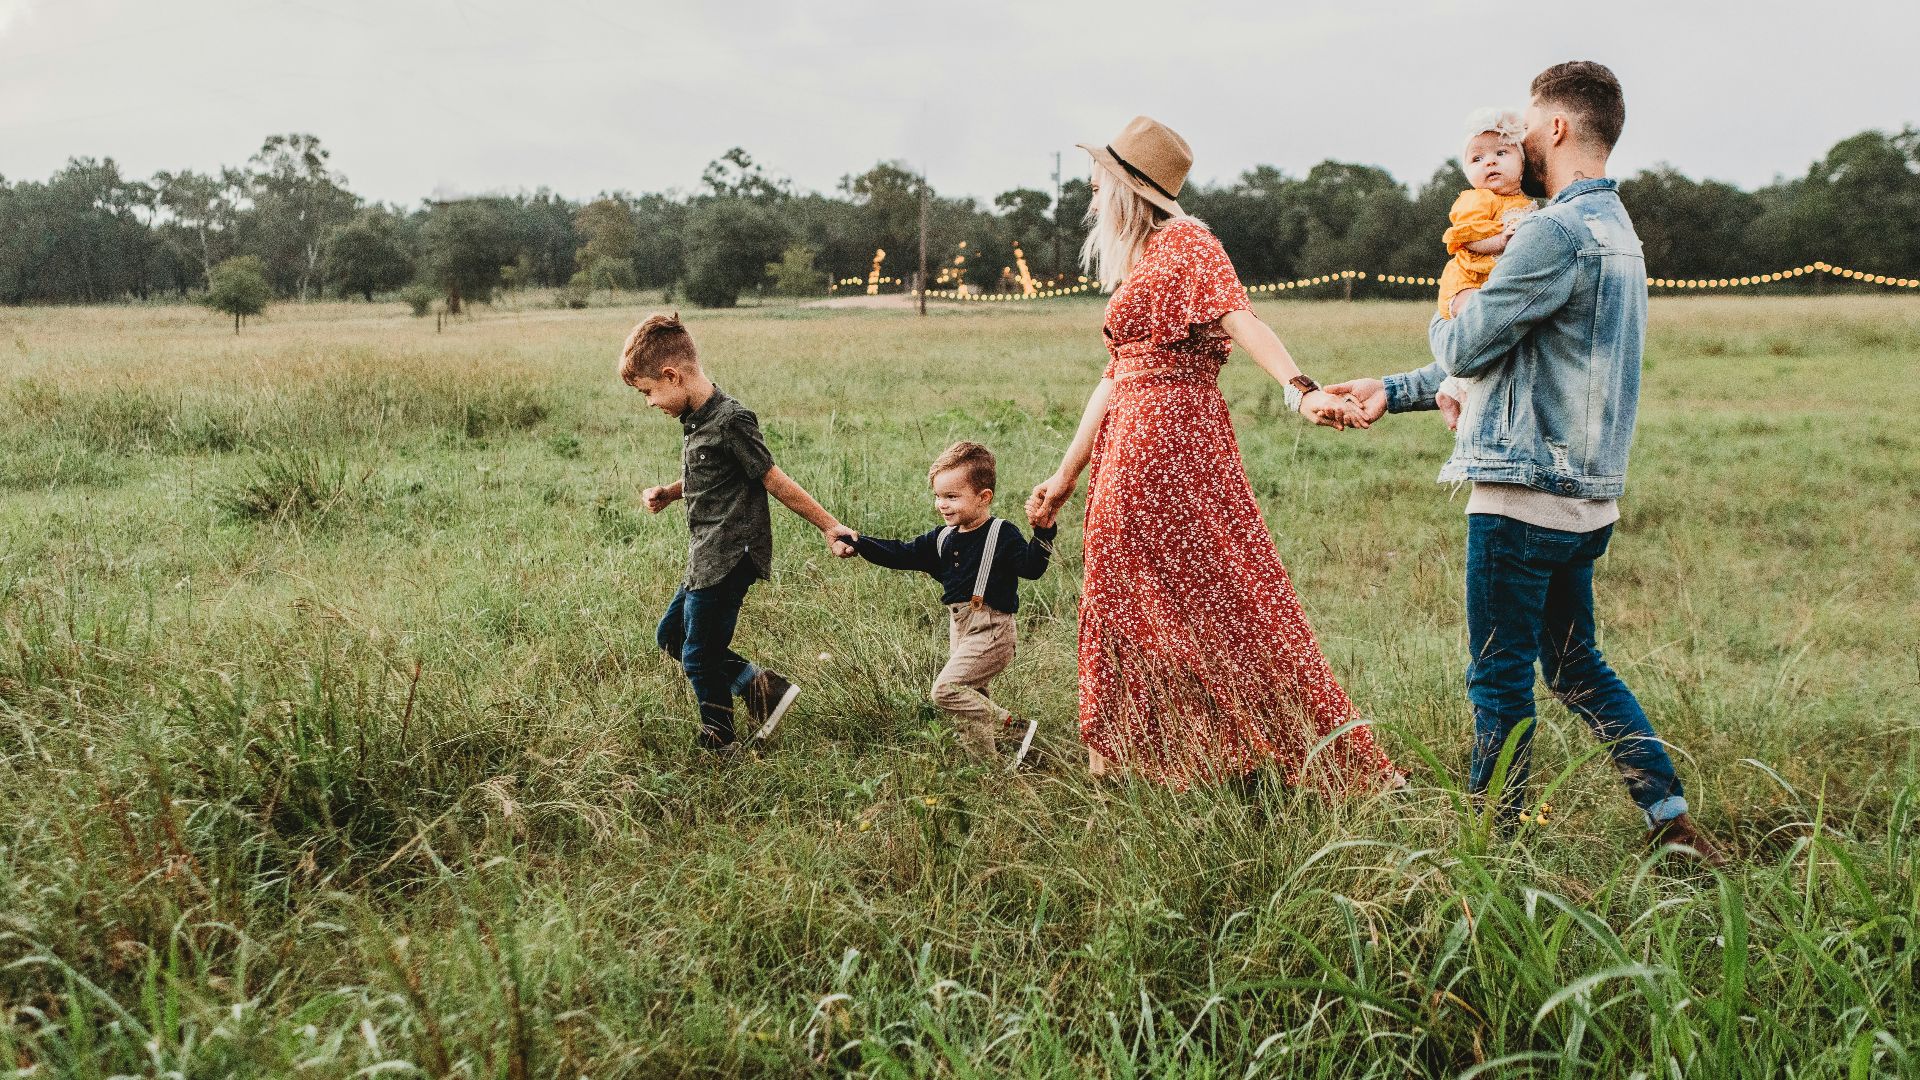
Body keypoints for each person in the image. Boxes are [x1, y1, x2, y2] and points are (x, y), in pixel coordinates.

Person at [1329, 62, 1728, 865]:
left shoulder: (1550, 231)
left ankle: (1491, 848)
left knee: (1498, 678)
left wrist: (1451, 305)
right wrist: (1395, 390)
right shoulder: (1618, 230)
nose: (1514, 142)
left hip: (1521, 496)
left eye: (1525, 126)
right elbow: (1522, 356)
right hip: (1586, 501)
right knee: (1578, 666)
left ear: (1556, 129)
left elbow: (1471, 342)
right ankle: (1670, 821)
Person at [1026, 115, 1402, 791]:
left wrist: (1300, 390)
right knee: (1122, 595)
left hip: (1171, 441)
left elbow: (1242, 318)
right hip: (1130, 442)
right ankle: (1134, 758)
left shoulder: (1189, 243)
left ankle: (1255, 751)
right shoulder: (1142, 258)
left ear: (1126, 187)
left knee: (1222, 592)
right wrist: (1063, 475)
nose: (1088, 189)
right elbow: (1114, 378)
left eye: (1098, 178)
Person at [620, 312, 856, 752]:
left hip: (730, 556)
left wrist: (830, 526)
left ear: (672, 375)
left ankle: (719, 740)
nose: (650, 402)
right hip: (705, 555)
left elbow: (772, 478)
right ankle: (763, 689)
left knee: (698, 655)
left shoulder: (731, 420)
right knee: (671, 636)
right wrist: (672, 492)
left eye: (649, 392)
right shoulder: (695, 420)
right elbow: (712, 477)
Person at [839, 441, 1055, 769]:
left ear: (984, 497)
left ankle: (1016, 729)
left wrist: (1043, 533)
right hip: (961, 629)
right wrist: (859, 542)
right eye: (938, 496)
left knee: (947, 691)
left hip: (993, 630)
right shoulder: (942, 538)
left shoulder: (1001, 533)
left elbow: (1032, 568)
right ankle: (988, 774)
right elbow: (900, 553)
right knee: (970, 705)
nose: (942, 504)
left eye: (952, 496)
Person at [1433, 107, 1538, 432]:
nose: (1489, 162)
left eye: (1501, 153)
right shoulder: (1477, 199)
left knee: (1495, 340)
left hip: (1491, 282)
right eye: (1477, 159)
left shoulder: (1525, 204)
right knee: (1479, 329)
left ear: (1522, 162)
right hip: (1467, 282)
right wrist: (1499, 240)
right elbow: (1465, 236)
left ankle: (1452, 390)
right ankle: (1453, 392)